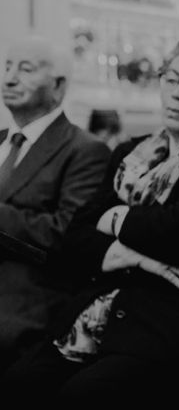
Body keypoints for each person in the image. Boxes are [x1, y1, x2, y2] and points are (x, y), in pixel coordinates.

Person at [0, 31, 179, 410]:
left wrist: (114, 217)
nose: (177, 94)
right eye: (171, 78)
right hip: (105, 314)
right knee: (20, 385)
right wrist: (135, 254)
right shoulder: (133, 152)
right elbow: (74, 240)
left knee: (82, 399)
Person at [0, 36, 110, 370]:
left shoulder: (83, 150)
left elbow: (66, 235)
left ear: (58, 86)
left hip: (29, 298)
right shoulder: (2, 141)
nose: (9, 78)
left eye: (26, 68)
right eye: (7, 66)